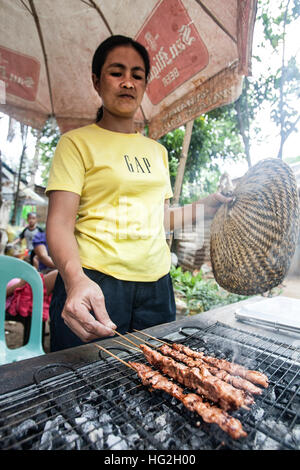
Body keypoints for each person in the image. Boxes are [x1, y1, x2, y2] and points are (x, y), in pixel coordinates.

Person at [46, 35, 231, 352]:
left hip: (157, 286)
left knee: (153, 383)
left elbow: (160, 221)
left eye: (137, 75)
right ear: (97, 81)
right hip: (95, 282)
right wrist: (75, 279)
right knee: (84, 387)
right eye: (117, 72)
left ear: (145, 85)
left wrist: (210, 205)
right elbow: (60, 223)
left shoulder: (157, 152)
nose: (128, 82)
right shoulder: (75, 143)